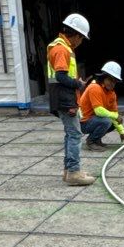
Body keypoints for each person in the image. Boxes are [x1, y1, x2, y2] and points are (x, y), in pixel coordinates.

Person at [47, 12, 94, 187]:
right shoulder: (61, 49)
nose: (80, 42)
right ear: (76, 35)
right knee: (75, 134)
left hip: (62, 97)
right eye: (81, 38)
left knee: (70, 134)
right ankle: (74, 172)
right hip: (65, 99)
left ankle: (69, 171)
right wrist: (78, 84)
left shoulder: (61, 47)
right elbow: (60, 76)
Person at [78, 61, 124, 151]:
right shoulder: (94, 87)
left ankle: (97, 139)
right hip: (84, 123)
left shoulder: (112, 94)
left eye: (115, 82)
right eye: (110, 80)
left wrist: (122, 132)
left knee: (112, 122)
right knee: (106, 121)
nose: (112, 84)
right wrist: (115, 116)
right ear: (103, 77)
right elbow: (99, 111)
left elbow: (114, 113)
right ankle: (91, 141)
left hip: (94, 120)